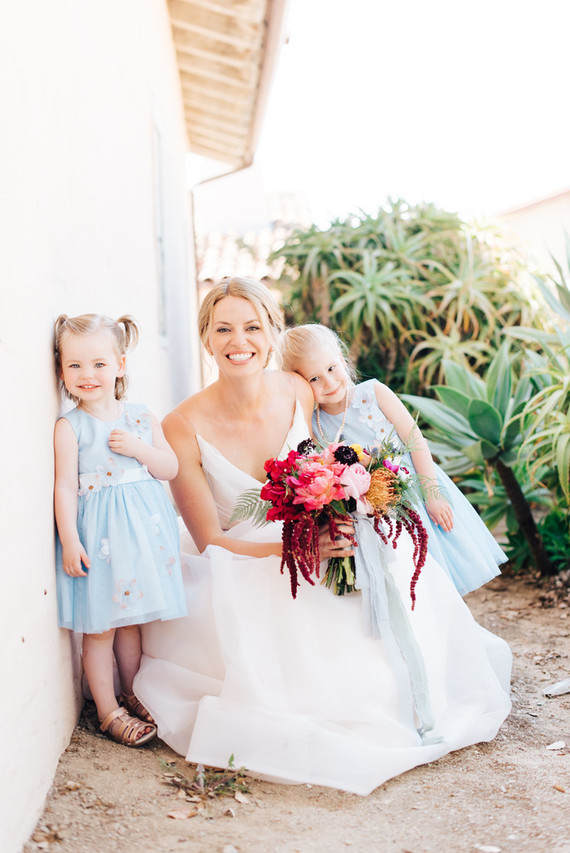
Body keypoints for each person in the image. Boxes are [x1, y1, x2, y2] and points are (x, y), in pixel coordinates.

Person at [134, 277, 511, 795]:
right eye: (223, 328)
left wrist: (345, 513)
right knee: (301, 622)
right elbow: (208, 541)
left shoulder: (297, 389)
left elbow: (332, 459)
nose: (237, 340)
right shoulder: (181, 424)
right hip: (244, 556)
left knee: (385, 568)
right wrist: (294, 549)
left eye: (252, 326)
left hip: (322, 530)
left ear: (272, 334)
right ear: (206, 337)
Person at [279, 323, 507, 596]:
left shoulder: (373, 393)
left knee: (434, 574)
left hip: (413, 493)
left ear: (342, 360)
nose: (328, 382)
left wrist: (431, 493)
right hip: (367, 516)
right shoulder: (313, 425)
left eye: (331, 368)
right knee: (400, 583)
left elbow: (415, 439)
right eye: (314, 379)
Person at [54, 313, 187, 747]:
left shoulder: (141, 417)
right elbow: (64, 487)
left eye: (98, 363)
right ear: (61, 371)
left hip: (141, 539)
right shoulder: (69, 427)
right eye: (74, 365)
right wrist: (70, 540)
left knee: (132, 623)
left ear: (120, 365)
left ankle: (133, 692)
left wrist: (140, 448)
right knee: (101, 627)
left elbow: (169, 467)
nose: (87, 374)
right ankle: (108, 710)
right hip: (101, 541)